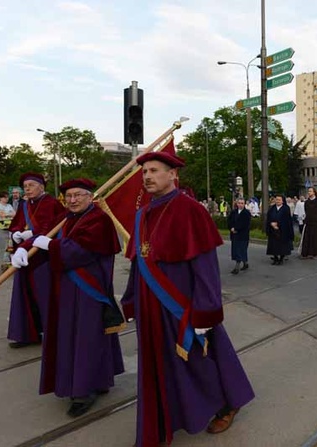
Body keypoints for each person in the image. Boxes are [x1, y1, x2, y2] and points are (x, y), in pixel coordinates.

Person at [120, 151, 254, 446]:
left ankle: (227, 403)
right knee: (160, 367)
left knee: (201, 362)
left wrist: (206, 312)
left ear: (172, 175)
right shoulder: (142, 214)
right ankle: (163, 421)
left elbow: (206, 268)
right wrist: (130, 301)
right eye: (144, 172)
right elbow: (137, 263)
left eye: (154, 170)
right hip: (149, 307)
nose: (148, 177)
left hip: (183, 306)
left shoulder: (191, 210)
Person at [11, 178, 125, 417]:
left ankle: (84, 390)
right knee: (70, 338)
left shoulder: (99, 220)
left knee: (86, 339)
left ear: (90, 196)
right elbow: (45, 236)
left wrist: (51, 246)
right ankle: (96, 380)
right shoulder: (66, 217)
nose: (72, 200)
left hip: (88, 292)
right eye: (69, 196)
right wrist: (24, 248)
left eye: (78, 195)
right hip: (65, 291)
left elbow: (79, 252)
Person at [8, 172, 66, 348]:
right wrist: (16, 233)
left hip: (43, 258)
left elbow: (51, 228)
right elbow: (16, 224)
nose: (27, 189)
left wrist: (31, 234)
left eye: (31, 185)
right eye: (25, 186)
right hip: (24, 258)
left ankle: (53, 335)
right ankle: (27, 334)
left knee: (45, 296)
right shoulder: (24, 205)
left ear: (41, 186)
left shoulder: (52, 203)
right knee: (25, 297)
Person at [266, 194, 295, 265]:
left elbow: (287, 220)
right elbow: (268, 218)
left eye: (279, 200)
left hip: (283, 230)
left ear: (282, 201)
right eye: (276, 199)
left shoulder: (286, 208)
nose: (278, 201)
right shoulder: (272, 208)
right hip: (273, 230)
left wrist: (278, 224)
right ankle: (275, 258)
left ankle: (281, 259)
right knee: (273, 245)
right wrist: (271, 224)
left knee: (282, 246)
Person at [228, 197, 251, 274]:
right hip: (234, 235)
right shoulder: (233, 212)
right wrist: (231, 228)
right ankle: (245, 263)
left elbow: (245, 224)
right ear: (237, 204)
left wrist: (236, 229)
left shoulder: (246, 213)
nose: (240, 205)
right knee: (236, 250)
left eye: (242, 203)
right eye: (239, 203)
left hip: (243, 235)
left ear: (244, 204)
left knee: (241, 250)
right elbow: (229, 221)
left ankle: (237, 267)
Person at [299, 187, 317, 259]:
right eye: (308, 191)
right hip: (308, 221)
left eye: (310, 191)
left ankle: (314, 253)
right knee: (307, 237)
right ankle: (305, 253)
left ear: (314, 192)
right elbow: (306, 211)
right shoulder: (306, 202)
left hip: (316, 222)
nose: (309, 192)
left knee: (315, 237)